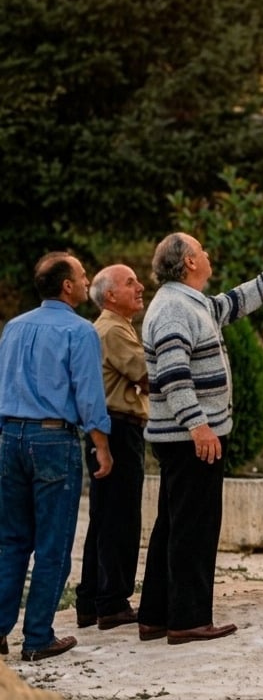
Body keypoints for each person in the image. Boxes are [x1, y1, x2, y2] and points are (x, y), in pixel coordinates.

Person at [137, 233, 263, 645]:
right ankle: (188, 620)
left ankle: (156, 616)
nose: (209, 255)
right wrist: (199, 426)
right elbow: (175, 377)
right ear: (190, 262)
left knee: (173, 526)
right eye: (203, 251)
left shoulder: (189, 303)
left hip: (184, 437)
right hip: (191, 438)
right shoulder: (175, 310)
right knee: (194, 528)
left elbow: (232, 304)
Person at [0, 253, 113, 661]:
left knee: (11, 541)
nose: (87, 282)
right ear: (67, 286)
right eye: (83, 277)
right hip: (52, 439)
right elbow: (88, 395)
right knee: (52, 544)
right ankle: (37, 638)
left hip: (9, 436)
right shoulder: (80, 332)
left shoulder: (13, 327)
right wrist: (101, 444)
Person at [75, 265, 149, 632]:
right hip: (119, 430)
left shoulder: (107, 328)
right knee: (121, 517)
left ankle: (91, 600)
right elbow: (148, 376)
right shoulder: (114, 330)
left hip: (107, 428)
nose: (140, 287)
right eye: (130, 283)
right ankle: (113, 602)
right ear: (110, 296)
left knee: (104, 517)